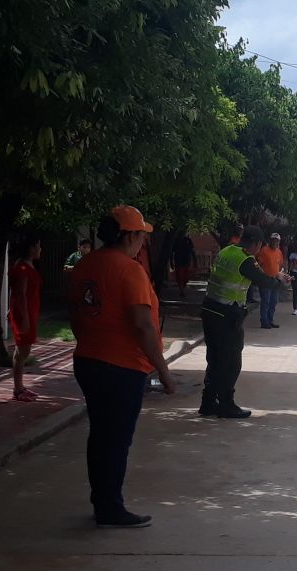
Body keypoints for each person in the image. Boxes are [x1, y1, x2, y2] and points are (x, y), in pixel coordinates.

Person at [69, 205, 177, 528]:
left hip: (88, 361)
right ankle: (110, 507)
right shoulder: (130, 271)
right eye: (141, 234)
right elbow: (143, 325)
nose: (143, 241)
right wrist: (164, 371)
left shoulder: (85, 265)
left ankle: (101, 498)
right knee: (116, 440)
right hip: (121, 368)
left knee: (100, 435)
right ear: (129, 235)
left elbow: (75, 315)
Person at [201, 225, 288, 418]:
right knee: (231, 361)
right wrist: (279, 282)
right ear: (256, 244)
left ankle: (207, 402)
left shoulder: (226, 251)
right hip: (227, 314)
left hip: (209, 309)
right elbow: (263, 280)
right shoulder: (245, 260)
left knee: (214, 358)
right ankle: (226, 404)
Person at [8, 234, 42, 402]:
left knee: (22, 350)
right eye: (38, 246)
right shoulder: (22, 268)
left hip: (30, 311)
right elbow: (19, 294)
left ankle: (19, 387)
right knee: (23, 351)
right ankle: (17, 389)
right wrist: (25, 318)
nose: (40, 249)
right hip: (24, 313)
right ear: (31, 248)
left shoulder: (27, 266)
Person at [256, 233, 286, 328]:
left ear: (279, 242)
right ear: (270, 240)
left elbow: (280, 265)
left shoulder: (279, 252)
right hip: (265, 280)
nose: (275, 242)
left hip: (275, 280)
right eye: (273, 240)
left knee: (273, 301)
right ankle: (264, 321)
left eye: (277, 240)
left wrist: (280, 274)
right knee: (266, 301)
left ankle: (270, 319)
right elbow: (258, 265)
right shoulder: (264, 251)